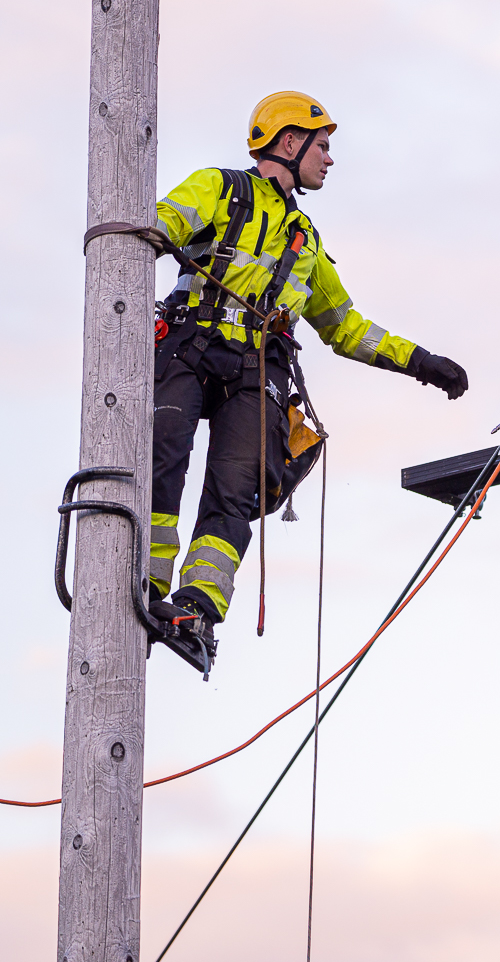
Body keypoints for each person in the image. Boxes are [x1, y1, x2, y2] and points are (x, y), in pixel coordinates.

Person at [145, 91, 468, 677]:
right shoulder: (219, 189)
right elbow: (157, 227)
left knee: (235, 490)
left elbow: (345, 327)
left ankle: (196, 612)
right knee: (161, 457)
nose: (330, 158)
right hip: (190, 346)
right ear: (289, 142)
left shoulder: (306, 242)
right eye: (323, 145)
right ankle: (143, 584)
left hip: (256, 370)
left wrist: (421, 362)